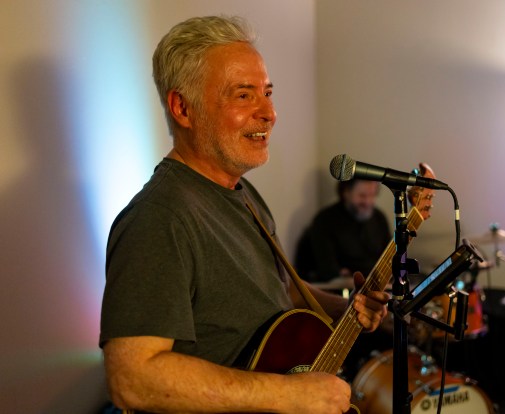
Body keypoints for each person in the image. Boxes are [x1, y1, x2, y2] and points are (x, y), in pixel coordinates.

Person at [99, 15, 389, 414]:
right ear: (182, 107)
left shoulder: (243, 192)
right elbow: (132, 379)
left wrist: (346, 308)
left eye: (268, 93)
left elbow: (280, 289)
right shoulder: (160, 218)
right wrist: (288, 394)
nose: (269, 112)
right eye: (243, 95)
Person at [295, 179, 391, 283]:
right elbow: (328, 271)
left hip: (379, 284)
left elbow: (389, 259)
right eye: (362, 196)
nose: (368, 202)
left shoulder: (379, 218)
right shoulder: (325, 220)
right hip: (342, 289)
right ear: (346, 193)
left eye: (372, 195)